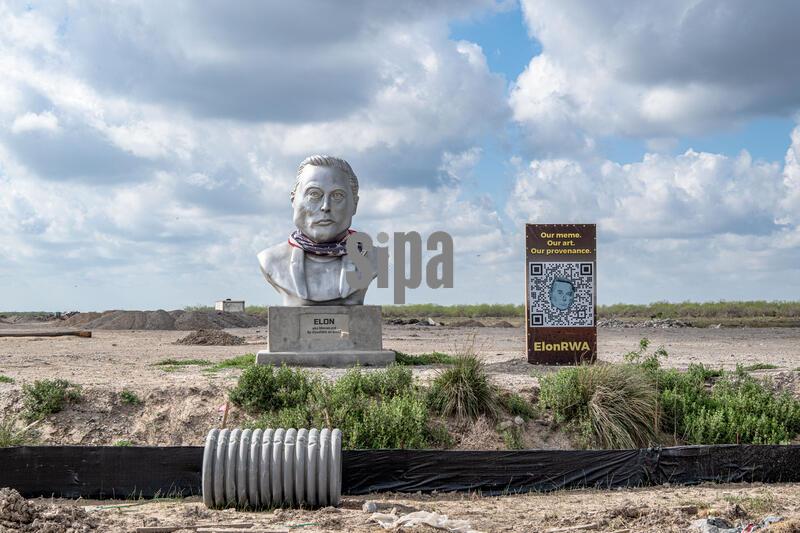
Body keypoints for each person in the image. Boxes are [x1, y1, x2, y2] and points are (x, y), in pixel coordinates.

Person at [257, 155, 377, 306]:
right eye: (314, 194)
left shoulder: (374, 258)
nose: (325, 206)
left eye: (337, 195)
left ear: (355, 204)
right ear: (293, 199)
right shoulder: (270, 260)